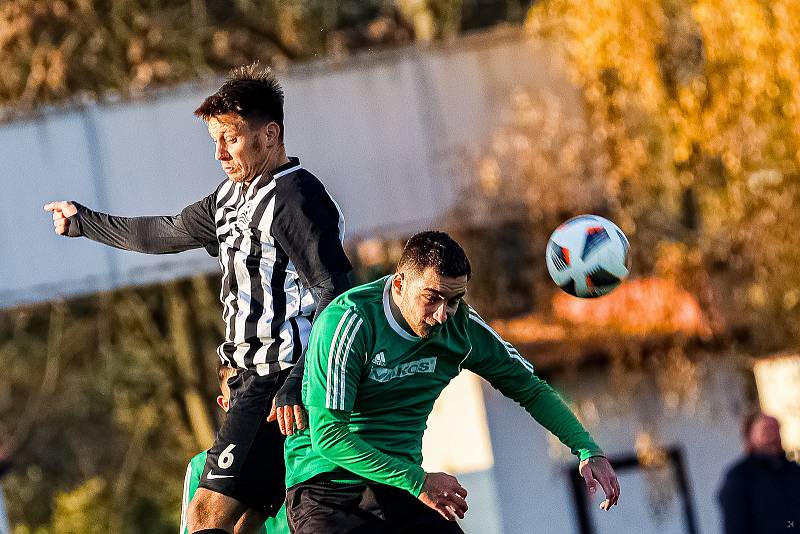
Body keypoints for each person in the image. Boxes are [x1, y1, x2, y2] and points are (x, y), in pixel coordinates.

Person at [44, 64, 352, 534]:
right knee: (243, 522)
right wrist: (85, 221)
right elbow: (164, 232)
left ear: (270, 135)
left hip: (278, 381)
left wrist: (298, 382)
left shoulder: (296, 197)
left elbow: (338, 297)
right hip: (250, 384)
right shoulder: (229, 198)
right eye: (214, 139)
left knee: (205, 514)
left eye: (230, 137)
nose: (220, 152)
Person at [283, 231, 620, 533]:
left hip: (402, 485)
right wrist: (419, 482)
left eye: (455, 300)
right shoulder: (350, 322)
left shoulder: (462, 327)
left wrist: (586, 448)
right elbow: (328, 437)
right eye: (432, 297)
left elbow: (529, 388)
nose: (443, 314)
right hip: (327, 486)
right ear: (399, 284)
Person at [181, 364, 289, 534]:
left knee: (205, 515)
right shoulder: (199, 465)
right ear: (224, 403)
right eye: (238, 394)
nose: (244, 402)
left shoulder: (297, 452)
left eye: (248, 395)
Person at [717, 412, 800, 534]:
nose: (773, 436)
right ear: (750, 436)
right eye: (766, 431)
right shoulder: (740, 477)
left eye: (776, 430)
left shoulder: (794, 471)